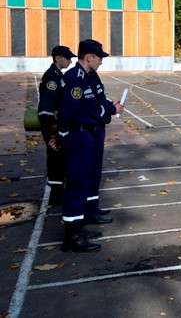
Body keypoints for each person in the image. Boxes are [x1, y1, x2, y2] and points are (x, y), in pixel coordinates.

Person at [58, 39, 123, 252]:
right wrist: (109, 111)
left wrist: (110, 106)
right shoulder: (73, 79)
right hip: (79, 136)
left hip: (93, 134)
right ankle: (72, 236)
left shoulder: (92, 76)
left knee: (91, 176)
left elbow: (99, 99)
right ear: (89, 57)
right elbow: (74, 112)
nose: (101, 61)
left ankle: (86, 217)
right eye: (99, 58)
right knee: (77, 184)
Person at [38, 45, 76, 206]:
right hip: (52, 127)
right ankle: (55, 197)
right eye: (68, 58)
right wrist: (52, 133)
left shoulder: (58, 75)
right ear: (58, 58)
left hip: (58, 126)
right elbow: (46, 109)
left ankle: (59, 193)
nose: (70, 61)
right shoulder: (52, 78)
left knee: (60, 159)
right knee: (55, 160)